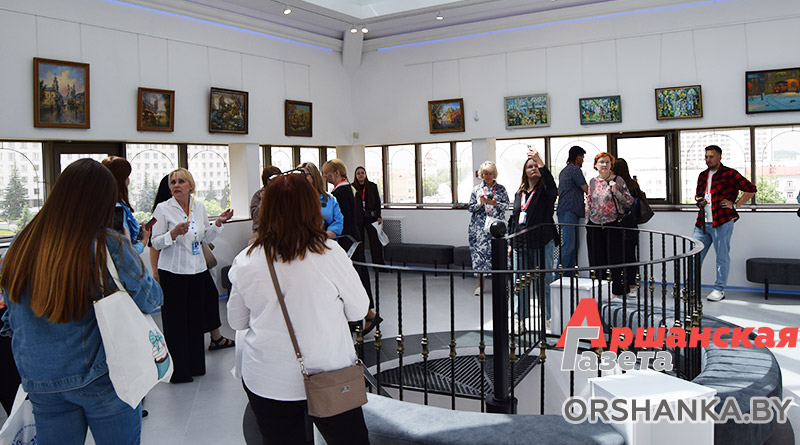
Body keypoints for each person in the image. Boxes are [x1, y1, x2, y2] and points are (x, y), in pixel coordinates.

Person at [0, 158, 162, 444]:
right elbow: (151, 299)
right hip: (99, 376)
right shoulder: (107, 243)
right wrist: (128, 249)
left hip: (40, 378)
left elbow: (11, 316)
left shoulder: (20, 243)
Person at [227, 173, 370, 445]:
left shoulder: (246, 260)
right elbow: (359, 310)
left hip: (268, 378)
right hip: (330, 373)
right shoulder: (329, 253)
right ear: (312, 207)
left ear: (266, 209)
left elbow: (236, 321)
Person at [150, 168, 234, 383]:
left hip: (197, 270)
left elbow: (204, 237)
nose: (176, 185)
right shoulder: (163, 209)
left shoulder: (199, 206)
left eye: (181, 181)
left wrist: (218, 223)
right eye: (173, 182)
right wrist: (173, 234)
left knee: (195, 321)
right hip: (173, 273)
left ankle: (196, 366)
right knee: (176, 324)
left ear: (190, 185)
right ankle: (179, 371)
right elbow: (155, 242)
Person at [322, 159, 381, 335]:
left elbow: (340, 219)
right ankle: (356, 317)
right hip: (350, 238)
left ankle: (365, 314)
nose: (325, 177)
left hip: (347, 241)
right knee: (353, 277)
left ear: (336, 172)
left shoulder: (341, 192)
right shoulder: (346, 189)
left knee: (351, 279)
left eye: (327, 173)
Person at [693, 145, 757, 302]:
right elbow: (698, 195)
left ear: (719, 157)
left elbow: (751, 189)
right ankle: (690, 288)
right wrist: (699, 200)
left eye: (711, 157)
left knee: (721, 257)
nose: (708, 160)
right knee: (694, 256)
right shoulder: (702, 175)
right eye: (706, 157)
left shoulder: (730, 174)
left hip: (722, 221)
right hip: (702, 222)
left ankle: (719, 289)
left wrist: (735, 205)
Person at [507, 150, 559, 330]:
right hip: (520, 243)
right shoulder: (519, 193)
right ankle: (519, 319)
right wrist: (510, 243)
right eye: (530, 166)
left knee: (544, 280)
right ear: (525, 172)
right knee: (519, 282)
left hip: (542, 241)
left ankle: (548, 318)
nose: (534, 168)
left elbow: (552, 185)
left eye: (536, 166)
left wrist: (540, 161)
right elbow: (514, 219)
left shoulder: (546, 191)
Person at [585, 153, 634, 298]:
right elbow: (589, 201)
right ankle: (600, 290)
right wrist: (587, 220)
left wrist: (616, 192)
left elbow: (629, 201)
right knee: (596, 259)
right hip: (595, 225)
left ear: (611, 165)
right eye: (601, 162)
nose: (604, 165)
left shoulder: (618, 180)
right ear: (595, 165)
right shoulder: (592, 182)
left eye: (607, 162)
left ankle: (616, 290)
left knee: (615, 258)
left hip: (613, 224)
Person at [467, 161, 510, 296]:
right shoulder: (476, 189)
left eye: (490, 173)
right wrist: (480, 204)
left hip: (497, 228)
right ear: (481, 174)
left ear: (494, 174)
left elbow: (507, 206)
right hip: (479, 229)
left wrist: (495, 203)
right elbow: (470, 208)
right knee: (480, 257)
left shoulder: (501, 189)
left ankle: (502, 285)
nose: (488, 176)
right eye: (485, 173)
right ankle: (480, 286)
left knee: (500, 255)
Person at [102, 156, 151, 253]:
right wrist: (144, 241)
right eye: (127, 176)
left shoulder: (104, 205)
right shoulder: (117, 210)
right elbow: (125, 252)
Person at [612, 158, 641, 298]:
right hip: (631, 225)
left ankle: (617, 286)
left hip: (617, 224)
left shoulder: (614, 185)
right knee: (631, 256)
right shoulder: (633, 184)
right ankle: (632, 286)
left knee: (616, 257)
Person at [556, 146, 588, 269]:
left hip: (566, 211)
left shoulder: (564, 171)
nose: (583, 161)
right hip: (569, 211)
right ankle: (560, 275)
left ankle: (568, 274)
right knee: (569, 245)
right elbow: (586, 189)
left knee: (572, 245)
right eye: (582, 158)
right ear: (578, 157)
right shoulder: (575, 170)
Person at [298, 162, 342, 239]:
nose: (302, 179)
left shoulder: (329, 199)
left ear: (314, 176)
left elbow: (338, 221)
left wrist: (326, 235)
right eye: (299, 176)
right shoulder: (294, 199)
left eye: (305, 175)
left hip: (326, 240)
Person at [353, 166, 385, 265]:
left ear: (365, 174)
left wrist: (378, 216)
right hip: (358, 218)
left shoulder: (372, 186)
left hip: (371, 217)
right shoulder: (352, 187)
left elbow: (377, 202)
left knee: (375, 241)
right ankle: (361, 265)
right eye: (358, 173)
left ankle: (378, 264)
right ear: (355, 175)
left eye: (362, 173)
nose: (361, 175)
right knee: (359, 241)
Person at [250, 165, 281, 236]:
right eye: (273, 179)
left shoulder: (282, 193)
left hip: (280, 230)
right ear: (267, 180)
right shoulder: (258, 195)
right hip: (261, 231)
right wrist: (264, 200)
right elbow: (255, 216)